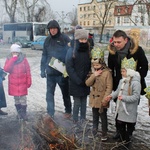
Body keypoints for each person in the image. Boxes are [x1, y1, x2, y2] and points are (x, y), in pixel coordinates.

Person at [107, 29, 148, 139]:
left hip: (134, 84)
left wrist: (136, 79)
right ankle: (119, 131)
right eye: (114, 42)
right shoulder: (113, 52)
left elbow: (144, 66)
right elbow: (110, 68)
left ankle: (129, 132)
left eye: (119, 42)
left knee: (130, 109)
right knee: (118, 108)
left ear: (126, 40)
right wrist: (112, 84)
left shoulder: (137, 50)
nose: (116, 44)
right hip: (119, 84)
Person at [106, 57, 141, 147]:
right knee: (120, 126)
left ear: (129, 71)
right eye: (121, 71)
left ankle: (127, 143)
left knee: (128, 128)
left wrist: (124, 97)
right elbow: (118, 91)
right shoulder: (122, 81)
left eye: (123, 71)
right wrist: (111, 96)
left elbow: (136, 97)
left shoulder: (135, 83)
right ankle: (121, 140)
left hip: (130, 110)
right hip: (121, 109)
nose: (121, 73)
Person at [40, 20, 72, 119]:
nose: (53, 31)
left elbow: (70, 55)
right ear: (49, 30)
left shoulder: (64, 38)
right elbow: (44, 55)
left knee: (65, 93)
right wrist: (42, 69)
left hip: (62, 72)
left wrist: (67, 70)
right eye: (51, 29)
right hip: (50, 72)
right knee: (49, 94)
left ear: (58, 29)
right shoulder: (47, 40)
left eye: (54, 29)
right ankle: (50, 112)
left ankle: (68, 111)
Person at [85, 47, 113, 141]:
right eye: (94, 65)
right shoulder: (92, 72)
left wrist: (105, 99)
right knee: (94, 115)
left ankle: (104, 132)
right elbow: (87, 83)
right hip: (94, 99)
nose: (96, 67)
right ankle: (94, 130)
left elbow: (109, 87)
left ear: (102, 63)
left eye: (97, 65)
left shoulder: (107, 73)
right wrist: (94, 75)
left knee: (103, 116)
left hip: (102, 99)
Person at [65, 28, 91, 124]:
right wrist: (78, 80)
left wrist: (88, 79)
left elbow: (89, 66)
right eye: (81, 39)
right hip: (75, 81)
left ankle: (83, 119)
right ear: (77, 39)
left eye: (85, 39)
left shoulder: (88, 51)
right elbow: (69, 68)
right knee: (77, 103)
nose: (83, 41)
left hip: (85, 81)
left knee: (84, 102)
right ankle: (75, 120)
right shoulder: (71, 51)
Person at [4, 44, 31, 121]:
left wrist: (29, 80)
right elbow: (6, 69)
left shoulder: (24, 59)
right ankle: (19, 113)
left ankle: (24, 113)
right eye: (13, 52)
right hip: (14, 82)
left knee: (23, 99)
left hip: (22, 82)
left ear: (19, 52)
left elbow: (28, 70)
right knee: (16, 99)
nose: (15, 54)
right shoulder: (9, 58)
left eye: (16, 52)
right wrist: (13, 59)